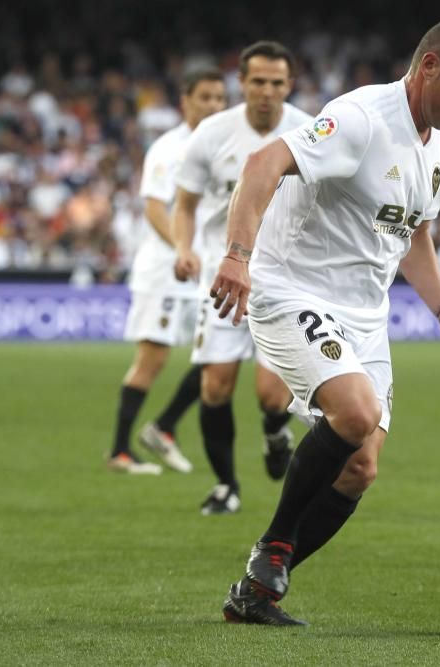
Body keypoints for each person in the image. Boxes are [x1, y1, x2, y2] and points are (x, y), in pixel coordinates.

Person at [209, 13, 440, 625]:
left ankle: (255, 594)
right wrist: (237, 256)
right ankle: (273, 548)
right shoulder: (361, 119)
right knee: (356, 413)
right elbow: (262, 165)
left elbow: (414, 234)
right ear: (430, 66)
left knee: (362, 467)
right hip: (292, 290)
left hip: (366, 316)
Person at [172, 42, 312, 513]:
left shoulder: (311, 131)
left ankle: (275, 430)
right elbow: (185, 205)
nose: (267, 91)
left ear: (289, 85)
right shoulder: (211, 135)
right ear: (242, 83)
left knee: (273, 395)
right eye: (258, 81)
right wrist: (183, 247)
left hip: (282, 278)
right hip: (223, 275)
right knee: (216, 388)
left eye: (277, 82)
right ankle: (227, 485)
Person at [107, 68, 226, 475]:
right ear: (185, 102)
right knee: (152, 360)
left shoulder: (224, 145)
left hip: (203, 269)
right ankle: (120, 451)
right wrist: (182, 248)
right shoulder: (169, 148)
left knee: (217, 355)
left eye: (219, 98)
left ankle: (164, 427)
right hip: (165, 271)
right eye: (205, 97)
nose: (213, 105)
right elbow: (155, 207)